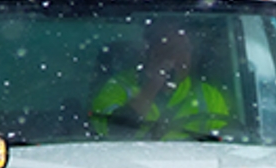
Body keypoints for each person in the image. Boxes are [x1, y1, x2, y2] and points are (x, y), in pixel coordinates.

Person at [90, 21, 231, 140]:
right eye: (170, 50)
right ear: (150, 54)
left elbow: (222, 143)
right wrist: (153, 85)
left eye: (185, 50)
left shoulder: (207, 96)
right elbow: (116, 133)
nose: (180, 57)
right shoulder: (118, 87)